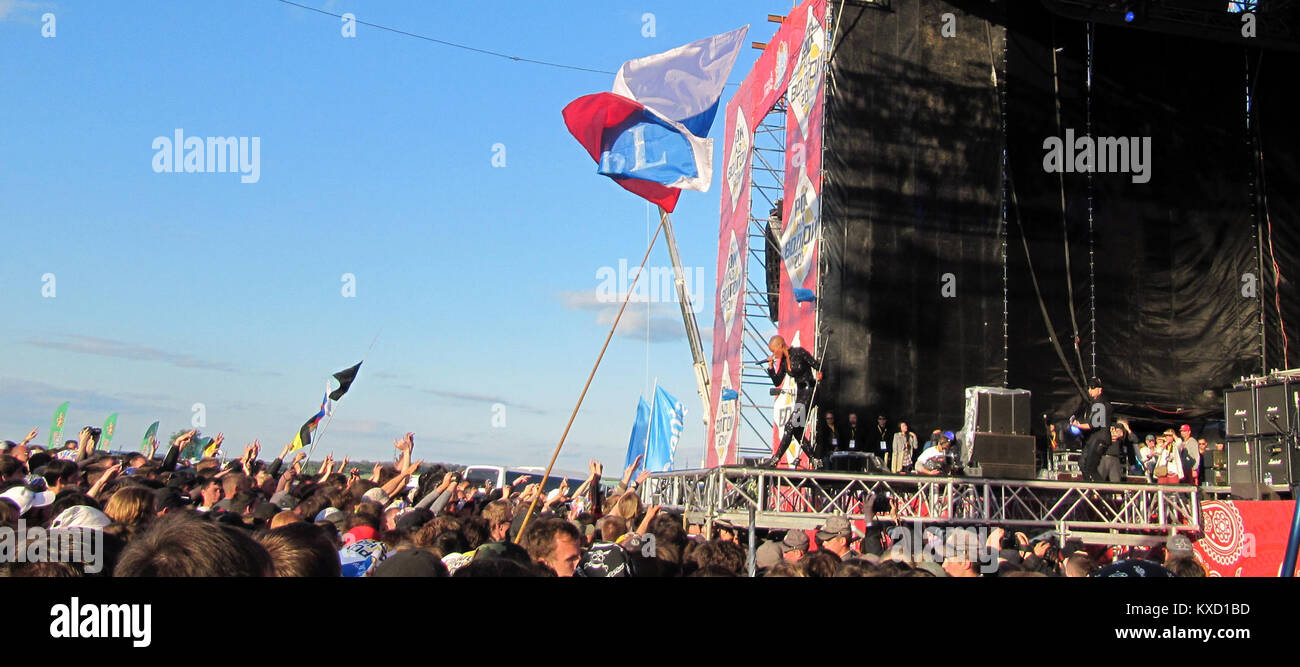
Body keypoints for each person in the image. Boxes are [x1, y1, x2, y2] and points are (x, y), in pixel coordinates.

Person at [763, 335, 822, 468]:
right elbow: (777, 381)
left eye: (774, 351)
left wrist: (820, 373)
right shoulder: (784, 362)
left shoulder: (799, 352)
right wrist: (771, 367)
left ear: (780, 345)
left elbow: (817, 364)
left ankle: (776, 459)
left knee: (790, 426)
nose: (774, 354)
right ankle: (815, 459)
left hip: (810, 389)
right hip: (800, 394)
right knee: (797, 430)